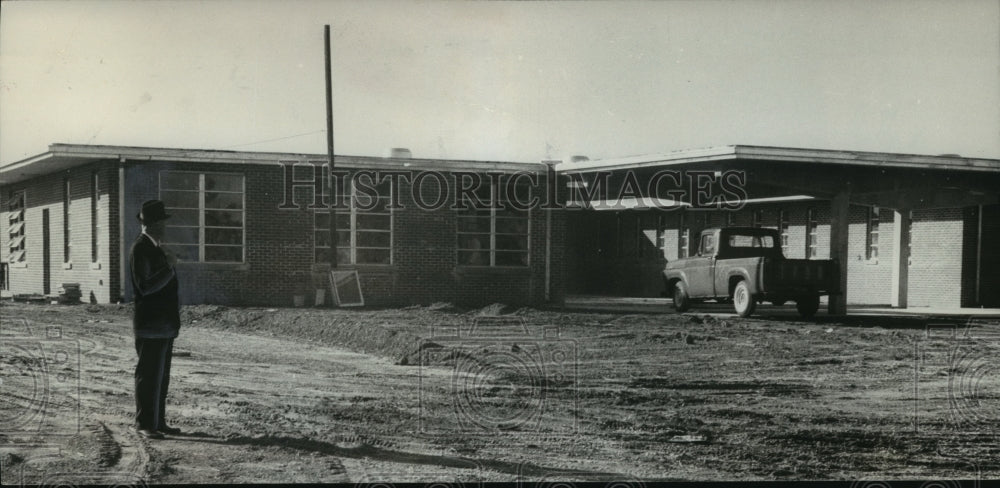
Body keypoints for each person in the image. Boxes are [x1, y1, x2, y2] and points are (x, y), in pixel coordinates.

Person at [129, 200, 182, 439]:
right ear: (153, 224)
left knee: (161, 376)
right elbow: (145, 287)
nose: (165, 227)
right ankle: (144, 424)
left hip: (163, 326)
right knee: (149, 374)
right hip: (151, 325)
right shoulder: (140, 249)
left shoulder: (155, 248)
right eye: (162, 222)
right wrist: (169, 267)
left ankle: (158, 421)